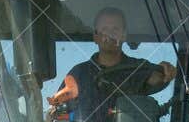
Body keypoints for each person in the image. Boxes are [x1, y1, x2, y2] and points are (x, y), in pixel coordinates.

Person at [46, 7, 176, 114]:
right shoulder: (78, 74)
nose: (109, 35)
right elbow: (57, 110)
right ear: (95, 37)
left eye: (115, 29)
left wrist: (165, 70)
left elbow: (155, 78)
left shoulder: (139, 68)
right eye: (104, 30)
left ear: (124, 35)